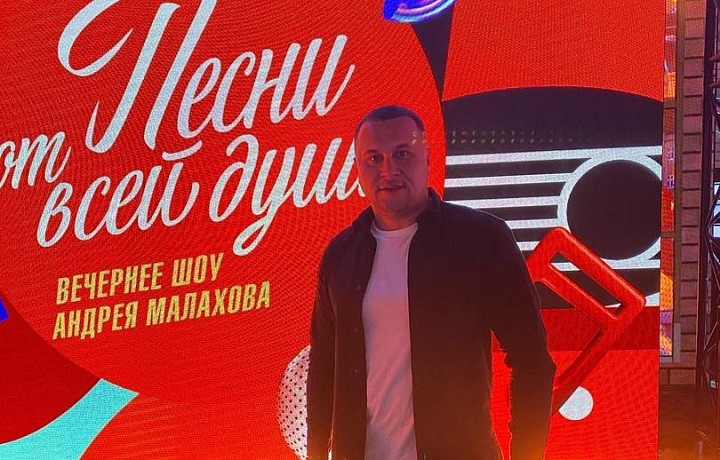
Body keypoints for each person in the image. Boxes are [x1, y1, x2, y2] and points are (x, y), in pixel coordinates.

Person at [306, 105, 556, 460]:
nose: (388, 170)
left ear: (427, 157)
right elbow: (322, 370)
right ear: (358, 167)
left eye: (401, 154)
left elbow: (532, 358)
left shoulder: (482, 239)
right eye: (374, 158)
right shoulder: (339, 255)